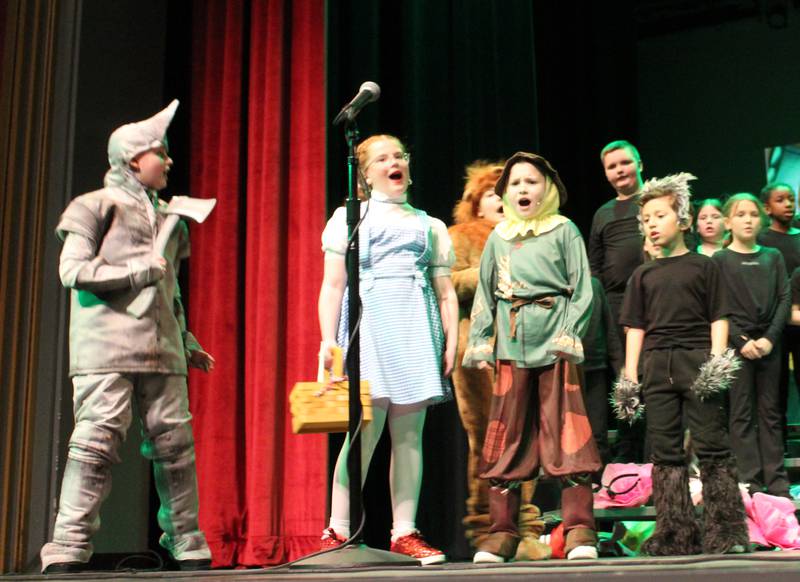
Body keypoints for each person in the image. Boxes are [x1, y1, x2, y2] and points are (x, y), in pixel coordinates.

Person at [40, 101, 215, 573]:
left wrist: (187, 337)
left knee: (176, 450)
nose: (170, 160)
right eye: (161, 152)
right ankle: (69, 544)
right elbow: (72, 270)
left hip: (163, 352)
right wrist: (137, 270)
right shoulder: (93, 205)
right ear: (134, 160)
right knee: (96, 444)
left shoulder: (169, 216)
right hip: (107, 349)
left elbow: (170, 289)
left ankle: (186, 537)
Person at [317, 134, 457, 565]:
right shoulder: (349, 218)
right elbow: (333, 285)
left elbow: (445, 290)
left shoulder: (428, 225)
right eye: (382, 158)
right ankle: (337, 529)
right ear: (364, 173)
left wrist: (452, 340)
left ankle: (405, 531)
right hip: (369, 327)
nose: (394, 162)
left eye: (399, 155)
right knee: (362, 434)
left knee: (409, 437)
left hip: (414, 326)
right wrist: (327, 341)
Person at [464, 152, 600, 563]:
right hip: (512, 344)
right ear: (506, 193)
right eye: (516, 183)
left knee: (566, 429)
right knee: (508, 434)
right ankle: (502, 532)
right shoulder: (500, 237)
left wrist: (569, 332)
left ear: (548, 189)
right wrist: (482, 339)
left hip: (555, 342)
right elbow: (487, 295)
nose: (523, 189)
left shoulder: (564, 230)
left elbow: (581, 287)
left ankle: (579, 530)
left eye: (532, 182)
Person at [616, 173, 748, 555]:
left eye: (659, 215)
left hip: (696, 362)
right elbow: (635, 328)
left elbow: (718, 315)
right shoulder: (642, 275)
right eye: (646, 220)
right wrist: (630, 375)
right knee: (665, 453)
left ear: (683, 221)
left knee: (712, 447)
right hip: (657, 367)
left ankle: (727, 532)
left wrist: (717, 362)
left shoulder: (704, 267)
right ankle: (676, 533)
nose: (652, 224)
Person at [448, 161, 550, 561]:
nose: (499, 199)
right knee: (488, 441)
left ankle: (525, 528)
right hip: (478, 351)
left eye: (502, 191)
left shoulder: (532, 235)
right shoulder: (461, 237)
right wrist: (491, 272)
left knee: (529, 437)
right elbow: (449, 283)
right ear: (475, 204)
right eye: (491, 193)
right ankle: (487, 526)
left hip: (526, 345)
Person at [713, 193, 791, 497]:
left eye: (753, 214)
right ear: (728, 221)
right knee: (741, 413)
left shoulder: (773, 257)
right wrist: (741, 340)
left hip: (769, 344)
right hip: (738, 346)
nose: (747, 219)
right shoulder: (720, 260)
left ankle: (777, 482)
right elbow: (717, 304)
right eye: (740, 214)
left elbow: (784, 298)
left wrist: (770, 338)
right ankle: (751, 481)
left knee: (770, 413)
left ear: (761, 220)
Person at [589, 140, 646, 463]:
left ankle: (657, 452)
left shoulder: (655, 202)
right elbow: (594, 265)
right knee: (625, 378)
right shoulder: (603, 213)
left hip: (655, 303)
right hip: (616, 306)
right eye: (612, 166)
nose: (620, 170)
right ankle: (628, 454)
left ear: (640, 164)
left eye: (625, 163)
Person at [758, 182, 800, 444]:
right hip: (774, 325)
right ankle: (780, 443)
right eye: (780, 200)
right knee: (778, 386)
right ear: (767, 207)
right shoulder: (763, 240)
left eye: (791, 199)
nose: (788, 204)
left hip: (798, 321)